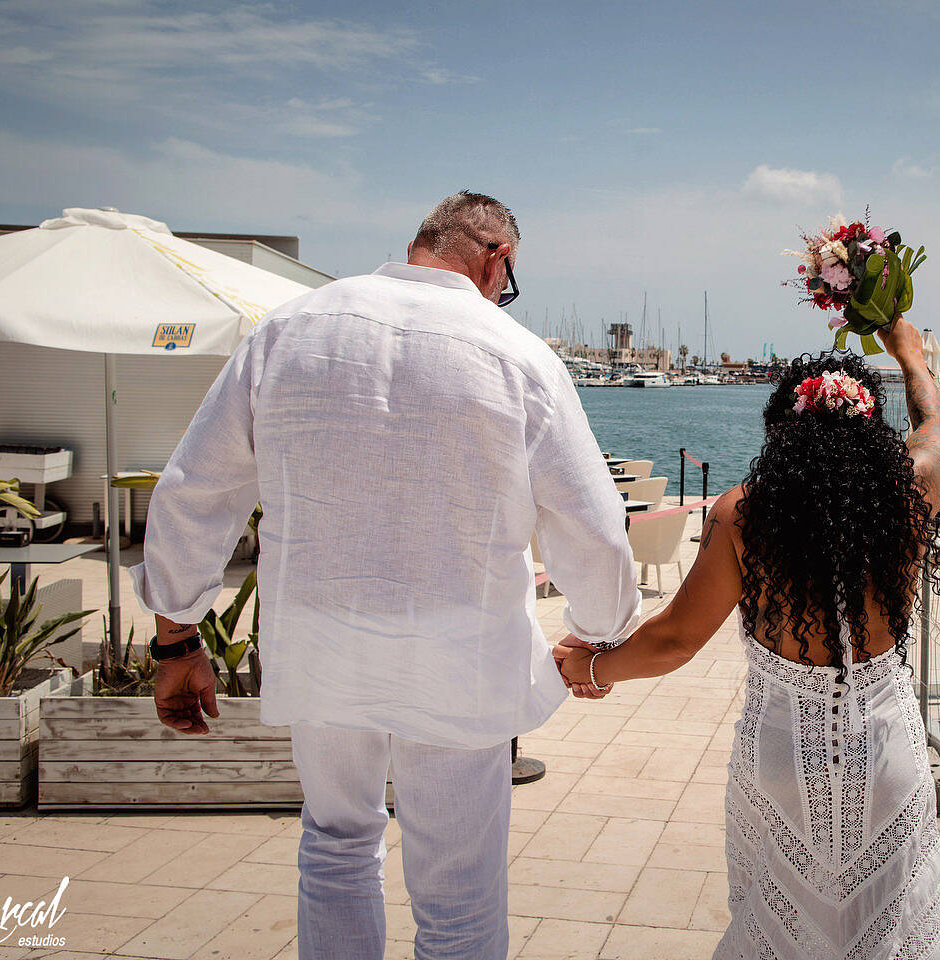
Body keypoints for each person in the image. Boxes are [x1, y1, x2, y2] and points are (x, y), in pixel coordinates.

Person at [132, 192, 641, 960]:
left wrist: (177, 639)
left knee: (336, 844)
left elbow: (197, 490)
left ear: (419, 245)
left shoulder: (288, 330)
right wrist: (601, 637)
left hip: (321, 641)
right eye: (508, 282)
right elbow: (593, 526)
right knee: (458, 889)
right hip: (458, 656)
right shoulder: (516, 354)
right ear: (496, 258)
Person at [558, 319, 940, 959]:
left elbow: (674, 640)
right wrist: (908, 351)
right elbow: (935, 423)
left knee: (778, 926)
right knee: (891, 928)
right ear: (870, 427)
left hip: (782, 756)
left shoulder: (747, 514)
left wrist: (593, 666)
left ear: (784, 433)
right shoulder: (911, 492)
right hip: (888, 744)